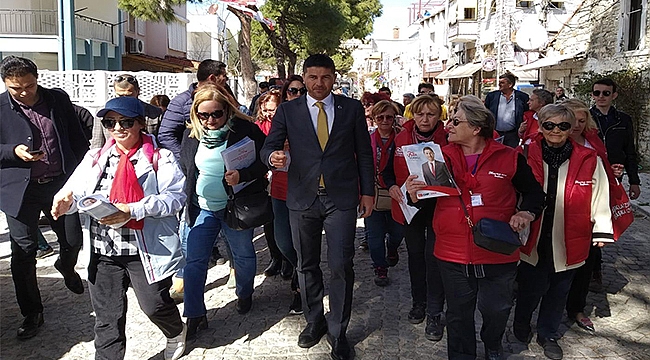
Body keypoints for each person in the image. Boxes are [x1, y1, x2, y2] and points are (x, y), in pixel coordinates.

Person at [51, 96, 187, 360]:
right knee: (107, 319)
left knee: (155, 306)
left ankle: (175, 331)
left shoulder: (161, 157)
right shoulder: (95, 158)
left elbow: (176, 198)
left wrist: (132, 209)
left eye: (125, 122)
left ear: (140, 124)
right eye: (110, 122)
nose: (117, 128)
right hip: (103, 252)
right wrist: (65, 200)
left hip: (144, 250)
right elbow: (77, 192)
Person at [411, 95, 544, 360]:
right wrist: (413, 195)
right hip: (452, 252)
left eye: (455, 121)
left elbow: (534, 194)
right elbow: (425, 205)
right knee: (458, 314)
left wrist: (526, 213)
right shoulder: (440, 157)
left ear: (475, 127)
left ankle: (492, 342)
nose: (448, 125)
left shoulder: (509, 158)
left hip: (497, 250)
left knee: (497, 309)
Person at [261, 54, 374, 360]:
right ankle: (315, 320)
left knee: (340, 265)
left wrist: (369, 192)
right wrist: (274, 158)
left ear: (334, 78)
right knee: (306, 264)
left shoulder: (350, 109)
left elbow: (364, 152)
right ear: (305, 77)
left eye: (325, 77)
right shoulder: (288, 110)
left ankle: (338, 331)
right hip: (302, 198)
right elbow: (269, 147)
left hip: (341, 199)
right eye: (312, 77)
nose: (319, 83)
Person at [514, 104, 613, 360]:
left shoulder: (589, 158)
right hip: (533, 232)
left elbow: (600, 194)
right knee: (529, 287)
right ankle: (521, 324)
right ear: (541, 126)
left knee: (559, 290)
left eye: (563, 126)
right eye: (549, 125)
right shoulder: (524, 152)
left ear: (571, 129)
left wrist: (602, 228)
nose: (555, 130)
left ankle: (547, 333)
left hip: (569, 235)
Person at [0, 56, 88, 339]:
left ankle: (66, 264)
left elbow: (76, 138)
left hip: (59, 185)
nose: (24, 92)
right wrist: (13, 151)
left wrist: (81, 174)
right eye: (16, 88)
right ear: (6, 84)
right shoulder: (0, 108)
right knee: (24, 252)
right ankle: (31, 311)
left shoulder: (57, 100)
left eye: (28, 85)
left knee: (73, 239)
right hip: (20, 190)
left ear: (37, 78)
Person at [179, 85, 267, 340]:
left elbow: (264, 161)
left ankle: (245, 293)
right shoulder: (192, 135)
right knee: (194, 261)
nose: (210, 120)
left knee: (243, 254)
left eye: (216, 114)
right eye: (204, 115)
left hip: (235, 207)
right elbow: (187, 167)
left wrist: (244, 175)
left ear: (227, 111)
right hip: (202, 207)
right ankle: (194, 313)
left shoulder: (245, 131)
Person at [384, 94, 448, 342]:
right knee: (415, 257)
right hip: (410, 207)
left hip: (441, 208)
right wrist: (391, 186)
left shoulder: (448, 137)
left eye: (430, 114)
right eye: (420, 114)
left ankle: (434, 311)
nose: (425, 119)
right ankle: (418, 302)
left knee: (435, 259)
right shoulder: (401, 138)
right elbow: (387, 172)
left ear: (438, 116)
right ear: (413, 115)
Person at [561, 99, 612, 333]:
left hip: (585, 216)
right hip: (558, 214)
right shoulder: (552, 141)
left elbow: (602, 179)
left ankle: (577, 308)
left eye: (582, 120)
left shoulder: (593, 144)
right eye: (573, 120)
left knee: (584, 265)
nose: (577, 125)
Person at [364, 100, 404, 287]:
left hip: (398, 193)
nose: (385, 121)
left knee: (397, 233)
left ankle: (393, 248)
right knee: (374, 236)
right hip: (373, 192)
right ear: (374, 119)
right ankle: (380, 267)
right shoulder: (367, 140)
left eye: (389, 117)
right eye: (381, 117)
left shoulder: (403, 139)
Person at [255, 89, 292, 278]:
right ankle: (275, 257)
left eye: (274, 109)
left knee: (285, 224)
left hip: (284, 177)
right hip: (265, 178)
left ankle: (288, 260)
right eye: (267, 109)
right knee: (269, 222)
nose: (271, 113)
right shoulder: (258, 126)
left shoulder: (288, 122)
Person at [158, 59, 228, 159]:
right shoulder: (181, 102)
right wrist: (187, 160)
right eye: (224, 76)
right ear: (212, 78)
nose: (226, 80)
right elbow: (165, 135)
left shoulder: (227, 97)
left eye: (217, 113)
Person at [90, 74, 163, 149]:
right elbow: (97, 143)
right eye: (120, 95)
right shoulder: (102, 112)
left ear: (138, 91)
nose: (125, 99)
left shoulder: (155, 113)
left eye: (129, 96)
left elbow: (163, 141)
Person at [484, 73, 530, 147]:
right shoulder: (492, 96)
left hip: (513, 135)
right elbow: (486, 113)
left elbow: (527, 114)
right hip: (495, 134)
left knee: (511, 155)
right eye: (499, 82)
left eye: (502, 83)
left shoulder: (522, 97)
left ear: (510, 85)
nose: (499, 85)